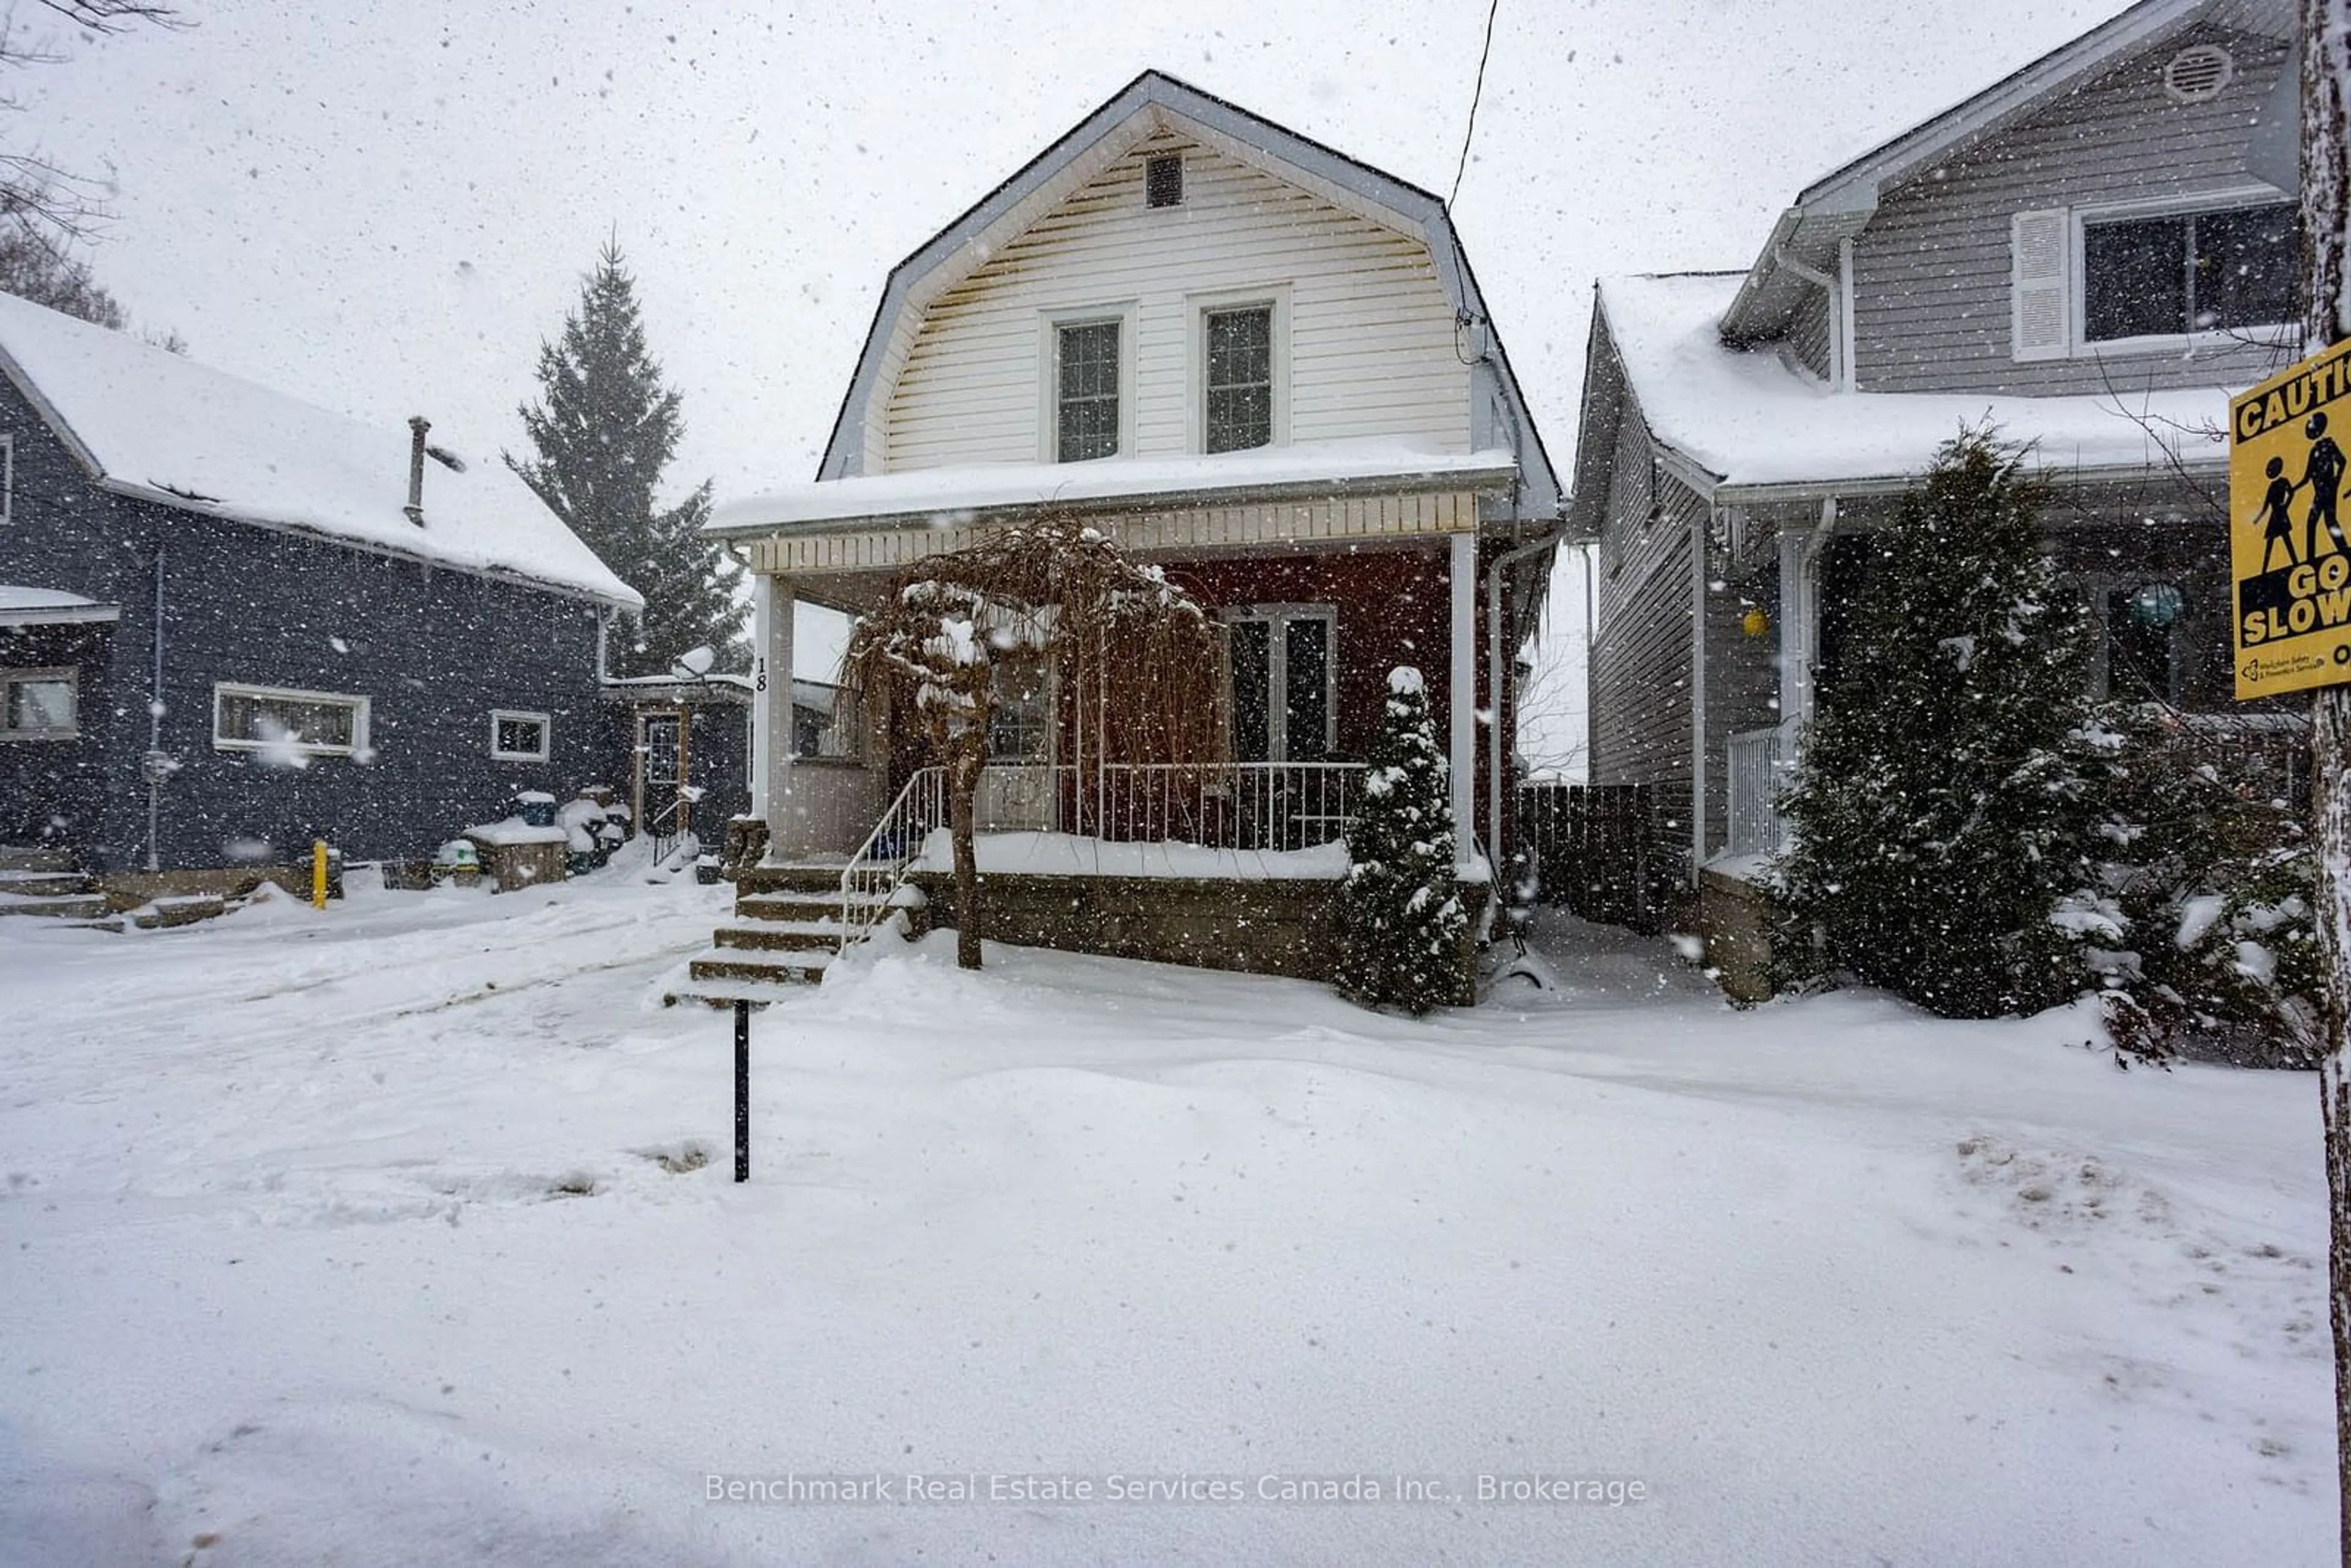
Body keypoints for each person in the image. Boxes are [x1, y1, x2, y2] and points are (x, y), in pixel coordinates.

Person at [2304, 411, 2347, 561]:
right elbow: (2307, 475)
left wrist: (2336, 481)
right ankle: (2344, 554)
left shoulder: (2329, 444)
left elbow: (2342, 461)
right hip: (2320, 491)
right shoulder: (2314, 449)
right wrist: (2294, 488)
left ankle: (2312, 559)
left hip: (2327, 490)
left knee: (2322, 522)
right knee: (2325, 521)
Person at [2257, 455, 2299, 572]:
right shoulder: (2272, 486)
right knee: (2271, 542)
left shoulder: (2284, 481)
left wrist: (2286, 506)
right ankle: (2264, 570)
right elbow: (2266, 506)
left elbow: (2291, 493)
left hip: (2280, 514)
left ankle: (2296, 563)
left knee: (2287, 540)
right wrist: (2257, 519)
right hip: (2275, 516)